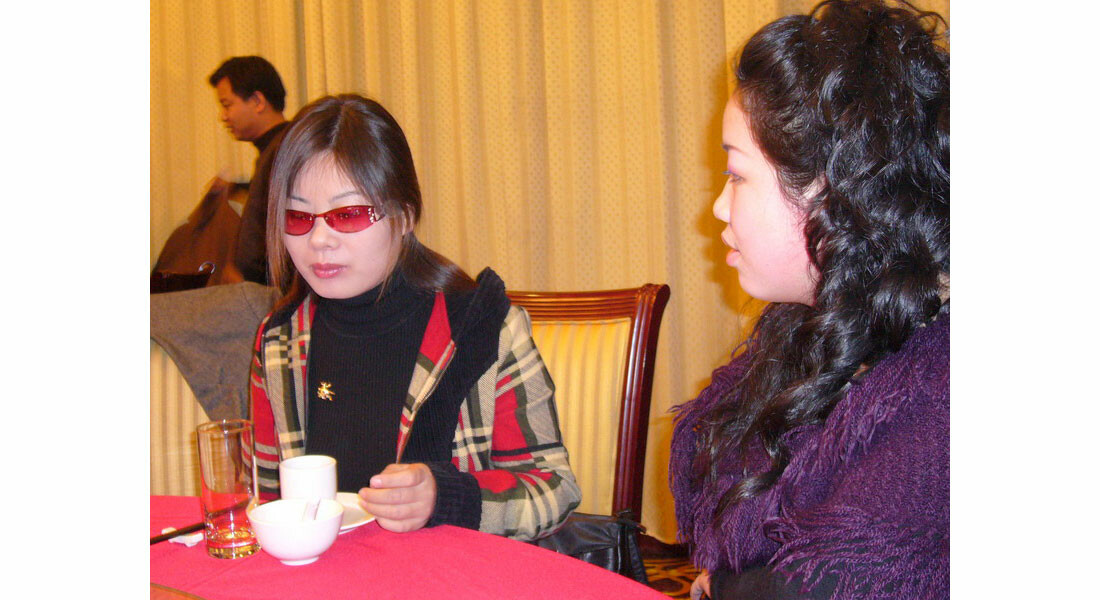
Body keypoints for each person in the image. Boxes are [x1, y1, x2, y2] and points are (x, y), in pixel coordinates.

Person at [669, 1, 949, 598]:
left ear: (832, 191)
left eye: (737, 175)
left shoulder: (937, 399)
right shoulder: (811, 330)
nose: (718, 207)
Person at [249, 94, 581, 541]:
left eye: (348, 214)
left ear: (404, 215)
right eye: (297, 216)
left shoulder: (483, 327)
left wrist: (445, 498)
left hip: (455, 574)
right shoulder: (279, 342)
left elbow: (554, 489)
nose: (319, 239)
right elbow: (267, 499)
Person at [208, 55, 290, 284]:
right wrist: (237, 188)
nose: (223, 116)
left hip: (265, 291)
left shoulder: (282, 152)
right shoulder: (278, 147)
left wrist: (246, 277)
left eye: (227, 105)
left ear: (257, 101)